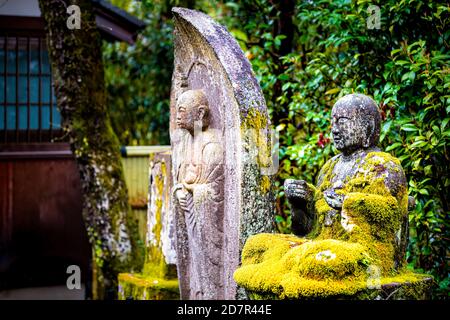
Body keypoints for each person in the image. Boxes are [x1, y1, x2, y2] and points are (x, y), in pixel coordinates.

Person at [172, 89, 224, 299]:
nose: (177, 116)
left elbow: (216, 192)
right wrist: (180, 192)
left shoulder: (212, 145)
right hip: (191, 215)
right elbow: (181, 180)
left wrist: (195, 192)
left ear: (201, 113)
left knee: (205, 267)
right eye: (177, 111)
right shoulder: (187, 142)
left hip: (206, 221)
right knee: (193, 267)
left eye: (182, 111)